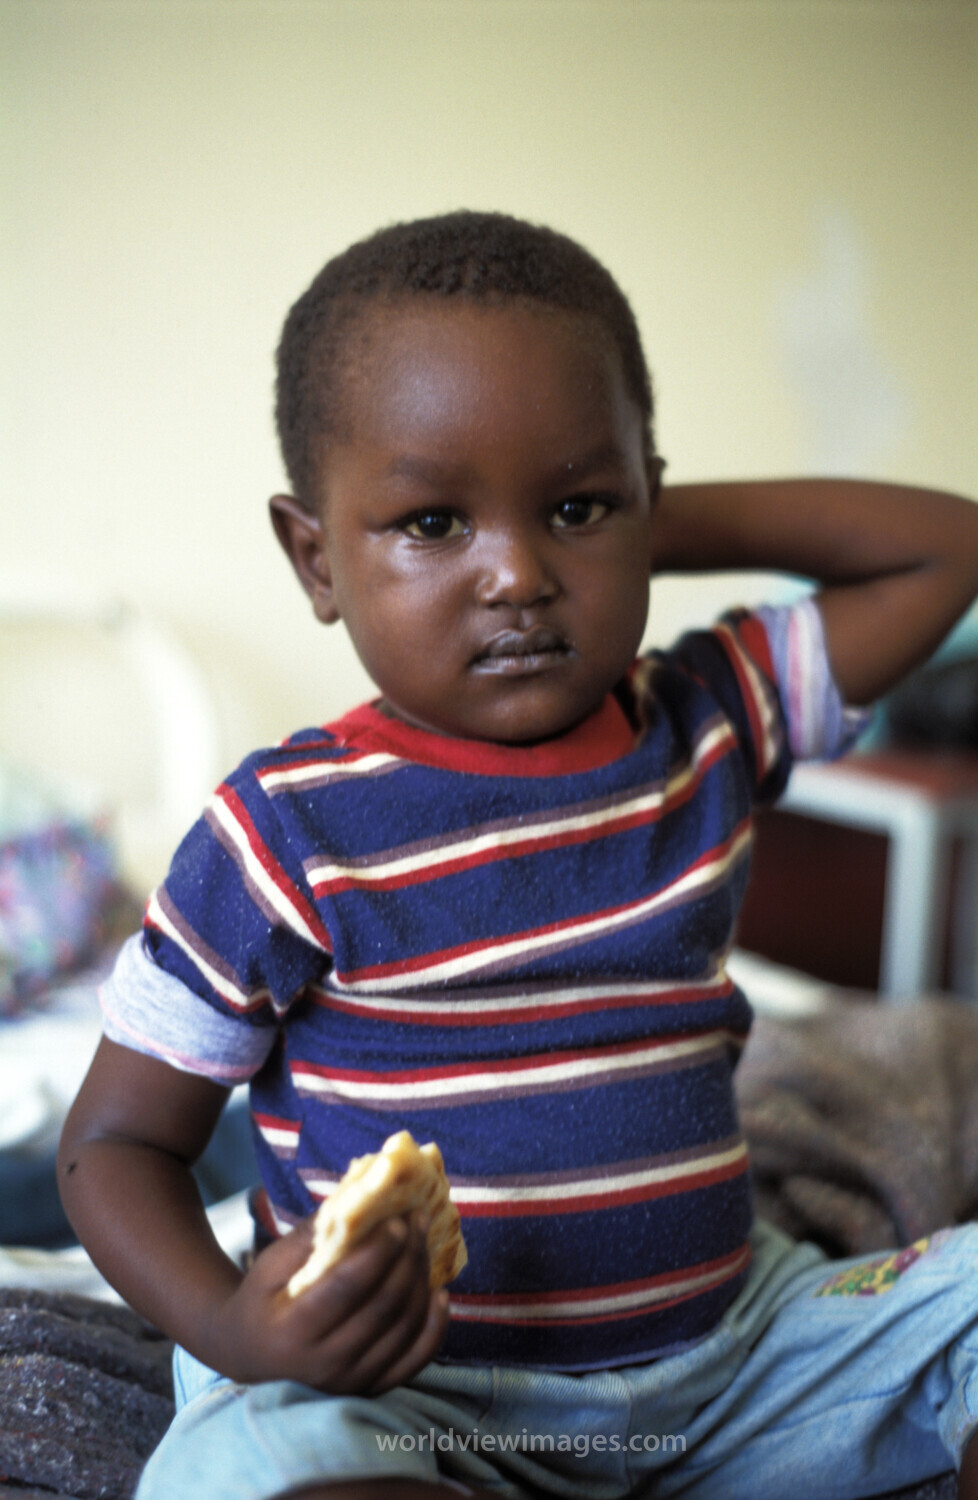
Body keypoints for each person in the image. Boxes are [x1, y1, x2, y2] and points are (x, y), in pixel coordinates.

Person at [59, 212, 978, 1500]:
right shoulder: (286, 828)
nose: (519, 573)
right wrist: (235, 1328)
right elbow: (111, 1148)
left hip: (736, 1365)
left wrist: (640, 514)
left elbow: (950, 549)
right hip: (412, 1405)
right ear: (316, 555)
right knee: (259, 1467)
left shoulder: (705, 721)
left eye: (574, 507)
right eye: (435, 521)